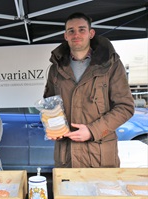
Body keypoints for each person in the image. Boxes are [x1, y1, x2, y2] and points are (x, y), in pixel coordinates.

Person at [43, 12, 134, 168]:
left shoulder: (111, 65)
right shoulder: (56, 69)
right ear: (65, 36)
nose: (76, 34)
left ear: (91, 33)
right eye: (71, 31)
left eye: (81, 29)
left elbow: (125, 107)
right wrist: (53, 127)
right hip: (67, 157)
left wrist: (93, 130)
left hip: (100, 157)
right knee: (67, 193)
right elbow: (50, 104)